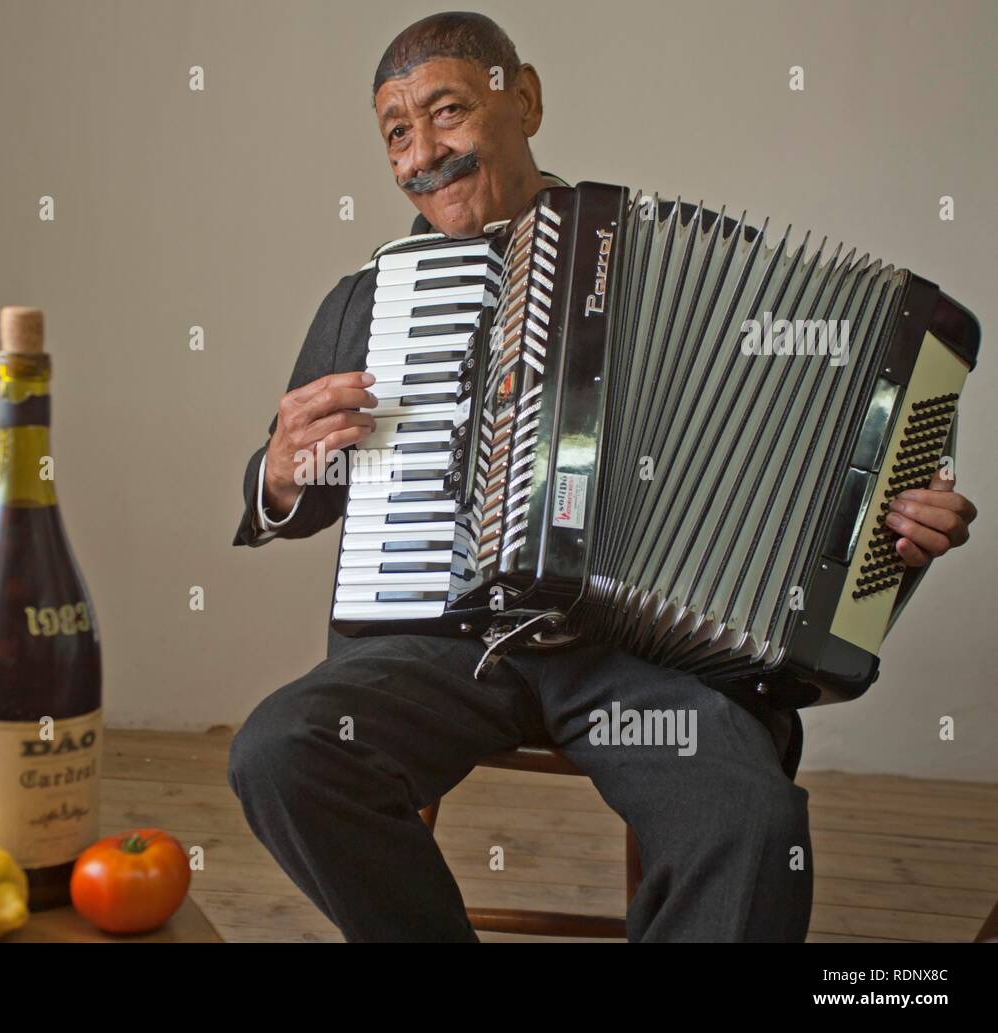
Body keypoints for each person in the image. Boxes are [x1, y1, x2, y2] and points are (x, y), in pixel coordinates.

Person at [227, 11, 978, 942]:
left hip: (633, 660)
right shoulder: (374, 302)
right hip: (442, 647)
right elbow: (297, 493)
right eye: (395, 131)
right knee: (280, 752)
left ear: (525, 99)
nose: (423, 153)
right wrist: (281, 473)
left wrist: (896, 514)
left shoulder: (694, 258)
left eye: (447, 111)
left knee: (753, 824)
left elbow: (817, 448)